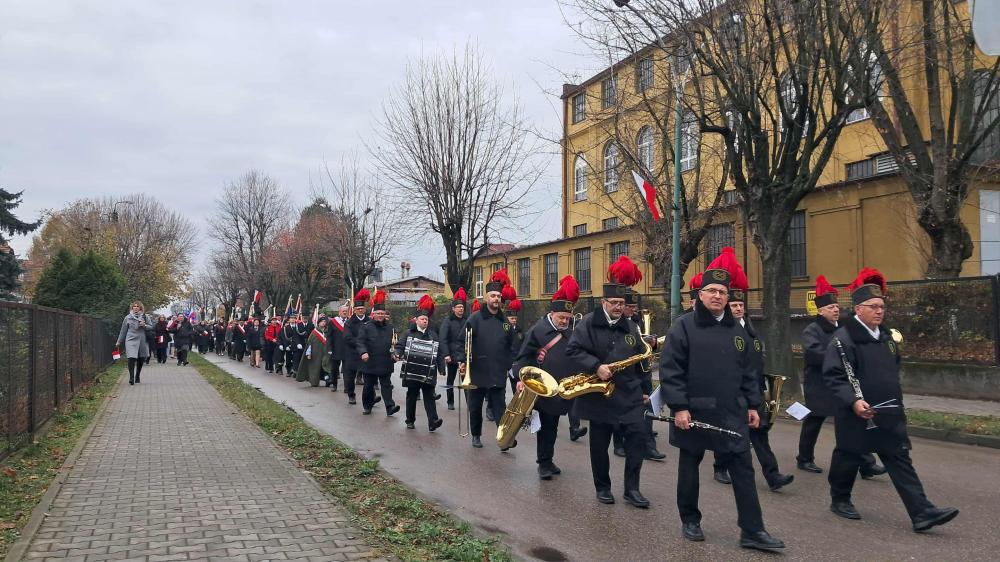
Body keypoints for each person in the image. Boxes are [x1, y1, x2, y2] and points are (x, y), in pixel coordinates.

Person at [659, 248, 785, 551]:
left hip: (732, 412)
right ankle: (690, 520)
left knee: (743, 468)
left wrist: (753, 405)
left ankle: (752, 530)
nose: (717, 296)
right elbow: (671, 370)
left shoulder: (736, 330)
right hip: (695, 412)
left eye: (722, 292)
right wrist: (679, 407)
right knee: (689, 467)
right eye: (712, 291)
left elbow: (748, 372)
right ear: (700, 294)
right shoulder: (683, 326)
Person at [823, 268, 959, 532]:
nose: (879, 311)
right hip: (857, 411)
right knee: (848, 456)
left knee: (898, 457)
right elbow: (834, 376)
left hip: (888, 410)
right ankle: (839, 499)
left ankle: (922, 512)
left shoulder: (886, 337)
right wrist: (853, 401)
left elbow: (893, 367)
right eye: (873, 307)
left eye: (882, 306)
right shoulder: (843, 339)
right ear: (858, 309)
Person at [566, 256, 651, 509]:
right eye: (614, 303)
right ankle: (602, 487)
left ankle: (632, 489)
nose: (618, 307)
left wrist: (645, 389)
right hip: (600, 396)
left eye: (621, 303)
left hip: (629, 394)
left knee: (637, 440)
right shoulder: (588, 322)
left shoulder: (631, 327)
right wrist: (596, 366)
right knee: (599, 445)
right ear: (603, 302)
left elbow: (641, 360)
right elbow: (573, 350)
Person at [710, 250, 793, 491]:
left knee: (759, 433)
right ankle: (719, 467)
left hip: (752, 390)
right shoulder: (722, 330)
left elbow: (755, 361)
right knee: (728, 433)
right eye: (734, 305)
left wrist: (762, 390)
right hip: (729, 392)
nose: (738, 309)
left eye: (740, 305)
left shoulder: (750, 329)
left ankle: (772, 475)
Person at [797, 276, 885, 477]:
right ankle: (804, 458)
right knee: (814, 422)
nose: (836, 310)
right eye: (830, 307)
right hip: (818, 385)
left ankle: (866, 463)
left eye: (837, 306)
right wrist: (838, 356)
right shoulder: (812, 330)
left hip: (840, 385)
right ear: (820, 311)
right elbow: (813, 354)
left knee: (853, 423)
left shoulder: (844, 328)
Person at [512, 275, 580, 479]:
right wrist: (521, 380)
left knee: (553, 426)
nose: (565, 321)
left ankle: (548, 460)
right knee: (546, 427)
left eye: (567, 318)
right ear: (552, 314)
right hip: (542, 388)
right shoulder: (538, 330)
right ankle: (543, 463)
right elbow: (524, 357)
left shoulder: (571, 331)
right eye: (561, 318)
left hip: (562, 388)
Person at [458, 271, 517, 449]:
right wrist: (462, 361)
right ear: (486, 298)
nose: (496, 299)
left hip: (498, 371)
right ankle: (476, 435)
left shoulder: (505, 321)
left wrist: (509, 364)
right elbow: (462, 341)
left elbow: (512, 344)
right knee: (475, 407)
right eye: (493, 295)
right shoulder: (475, 318)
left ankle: (503, 439)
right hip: (478, 370)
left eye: (498, 296)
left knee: (500, 407)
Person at [395, 295, 444, 431]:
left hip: (428, 372)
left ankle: (433, 421)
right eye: (422, 319)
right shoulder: (408, 333)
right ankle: (410, 420)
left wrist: (441, 367)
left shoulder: (433, 335)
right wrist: (397, 353)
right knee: (412, 396)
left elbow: (439, 352)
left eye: (426, 319)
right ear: (416, 320)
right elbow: (400, 346)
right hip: (412, 371)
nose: (425, 321)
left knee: (429, 396)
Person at [358, 290, 399, 416]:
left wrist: (395, 353)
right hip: (370, 361)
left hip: (385, 361)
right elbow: (360, 342)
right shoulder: (366, 326)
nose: (381, 315)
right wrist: (363, 352)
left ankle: (390, 407)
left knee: (386, 385)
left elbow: (394, 344)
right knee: (368, 386)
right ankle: (367, 406)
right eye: (378, 313)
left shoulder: (390, 327)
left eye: (382, 313)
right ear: (373, 314)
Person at [438, 288, 468, 411]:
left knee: (466, 380)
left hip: (464, 355)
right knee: (450, 379)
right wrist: (446, 354)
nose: (461, 309)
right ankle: (450, 401)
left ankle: (469, 403)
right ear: (453, 309)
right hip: (451, 355)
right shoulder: (448, 321)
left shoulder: (467, 320)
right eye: (458, 307)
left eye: (462, 307)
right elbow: (443, 338)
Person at [343, 289, 370, 405]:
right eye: (358, 309)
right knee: (350, 377)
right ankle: (351, 395)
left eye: (362, 308)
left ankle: (370, 397)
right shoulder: (349, 323)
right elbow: (347, 338)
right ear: (354, 310)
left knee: (369, 377)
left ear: (365, 309)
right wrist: (360, 343)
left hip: (366, 353)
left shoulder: (370, 321)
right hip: (352, 353)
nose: (360, 310)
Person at [117, 301, 151, 385]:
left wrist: (144, 325)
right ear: (132, 308)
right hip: (130, 339)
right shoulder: (127, 317)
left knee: (141, 358)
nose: (135, 307)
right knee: (131, 357)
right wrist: (119, 341)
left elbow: (151, 326)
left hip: (141, 339)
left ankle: (137, 375)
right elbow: (123, 330)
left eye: (137, 306)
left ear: (140, 308)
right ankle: (131, 377)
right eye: (134, 306)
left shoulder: (145, 316)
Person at [296, 312, 330, 387]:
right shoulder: (314, 332)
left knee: (326, 367)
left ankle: (328, 380)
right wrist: (308, 353)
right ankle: (314, 381)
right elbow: (309, 344)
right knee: (315, 367)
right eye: (321, 321)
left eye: (324, 321)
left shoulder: (328, 332)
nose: (323, 323)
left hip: (326, 353)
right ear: (318, 323)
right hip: (316, 353)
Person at [326, 305, 350, 391]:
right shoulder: (333, 322)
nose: (345, 312)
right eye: (343, 311)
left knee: (347, 370)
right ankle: (334, 385)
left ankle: (347, 387)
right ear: (339, 312)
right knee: (334, 369)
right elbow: (329, 336)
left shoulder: (350, 321)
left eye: (346, 311)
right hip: (336, 349)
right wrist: (329, 348)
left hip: (347, 349)